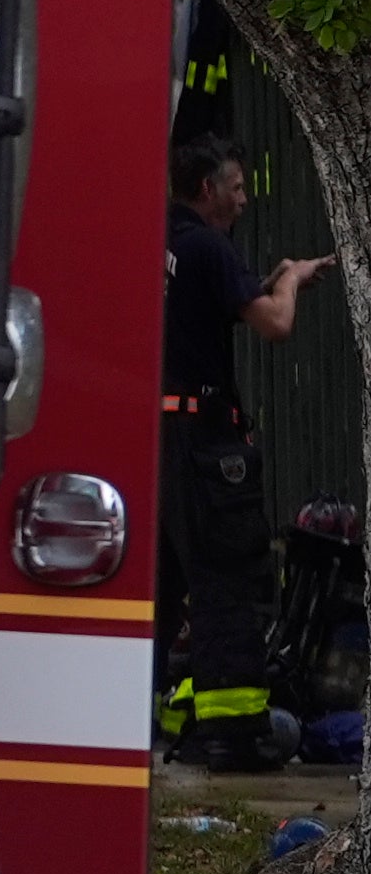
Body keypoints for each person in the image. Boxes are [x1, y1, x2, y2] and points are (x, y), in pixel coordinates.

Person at [165, 133, 332, 768]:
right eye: (236, 186)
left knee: (168, 585)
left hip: (162, 439)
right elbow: (275, 324)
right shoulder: (208, 244)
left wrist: (274, 282)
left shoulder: (167, 241)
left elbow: (218, 307)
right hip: (206, 441)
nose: (243, 198)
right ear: (206, 189)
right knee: (225, 581)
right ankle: (234, 737)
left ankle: (161, 715)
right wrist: (289, 278)